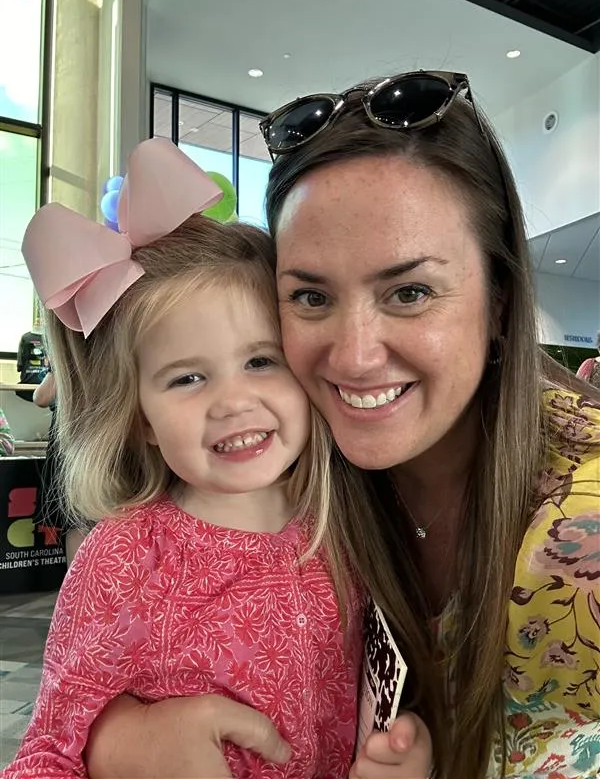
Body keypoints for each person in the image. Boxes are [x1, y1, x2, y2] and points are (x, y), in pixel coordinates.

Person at [85, 71, 600, 779]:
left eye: (410, 291)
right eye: (311, 296)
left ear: (501, 302)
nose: (354, 357)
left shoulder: (582, 533)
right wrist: (115, 733)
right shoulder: (299, 476)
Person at [2, 138, 432, 779]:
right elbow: (47, 754)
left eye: (261, 361)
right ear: (141, 417)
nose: (233, 402)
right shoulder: (124, 558)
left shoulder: (346, 521)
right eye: (186, 379)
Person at [33, 369, 87, 565]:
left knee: (77, 522)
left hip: (72, 442)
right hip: (105, 438)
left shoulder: (69, 356)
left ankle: (78, 591)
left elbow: (41, 397)